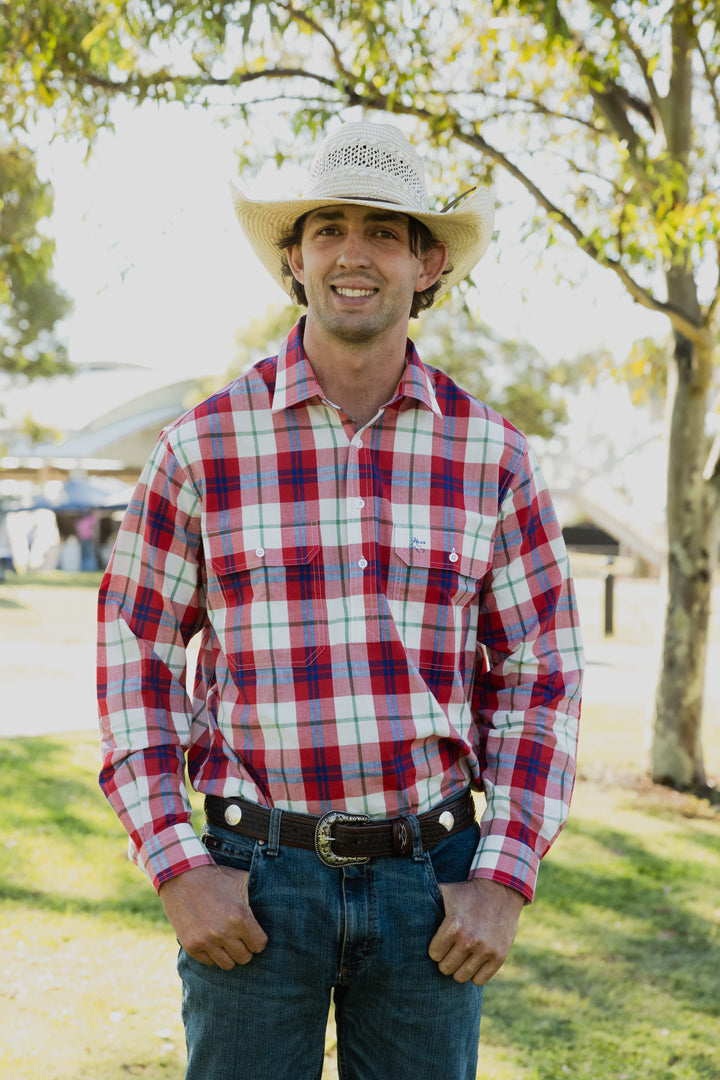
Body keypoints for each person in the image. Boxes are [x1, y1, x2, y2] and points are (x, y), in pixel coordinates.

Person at [98, 121, 583, 1080]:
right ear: (295, 258)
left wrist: (503, 881)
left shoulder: (494, 457)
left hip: (432, 891)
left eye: (384, 229)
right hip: (251, 883)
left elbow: (540, 676)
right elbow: (135, 655)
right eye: (327, 229)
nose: (352, 252)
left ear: (426, 260)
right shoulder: (202, 449)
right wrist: (176, 863)